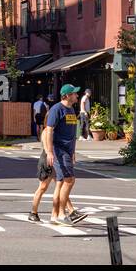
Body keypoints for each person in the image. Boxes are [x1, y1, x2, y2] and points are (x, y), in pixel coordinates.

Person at [44, 84, 87, 224]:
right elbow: (49, 130)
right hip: (59, 150)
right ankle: (62, 214)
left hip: (67, 151)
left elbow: (71, 133)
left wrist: (73, 152)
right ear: (67, 95)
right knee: (69, 180)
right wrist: (50, 152)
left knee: (62, 182)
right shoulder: (57, 109)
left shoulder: (71, 109)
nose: (77, 95)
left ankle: (54, 215)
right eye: (74, 94)